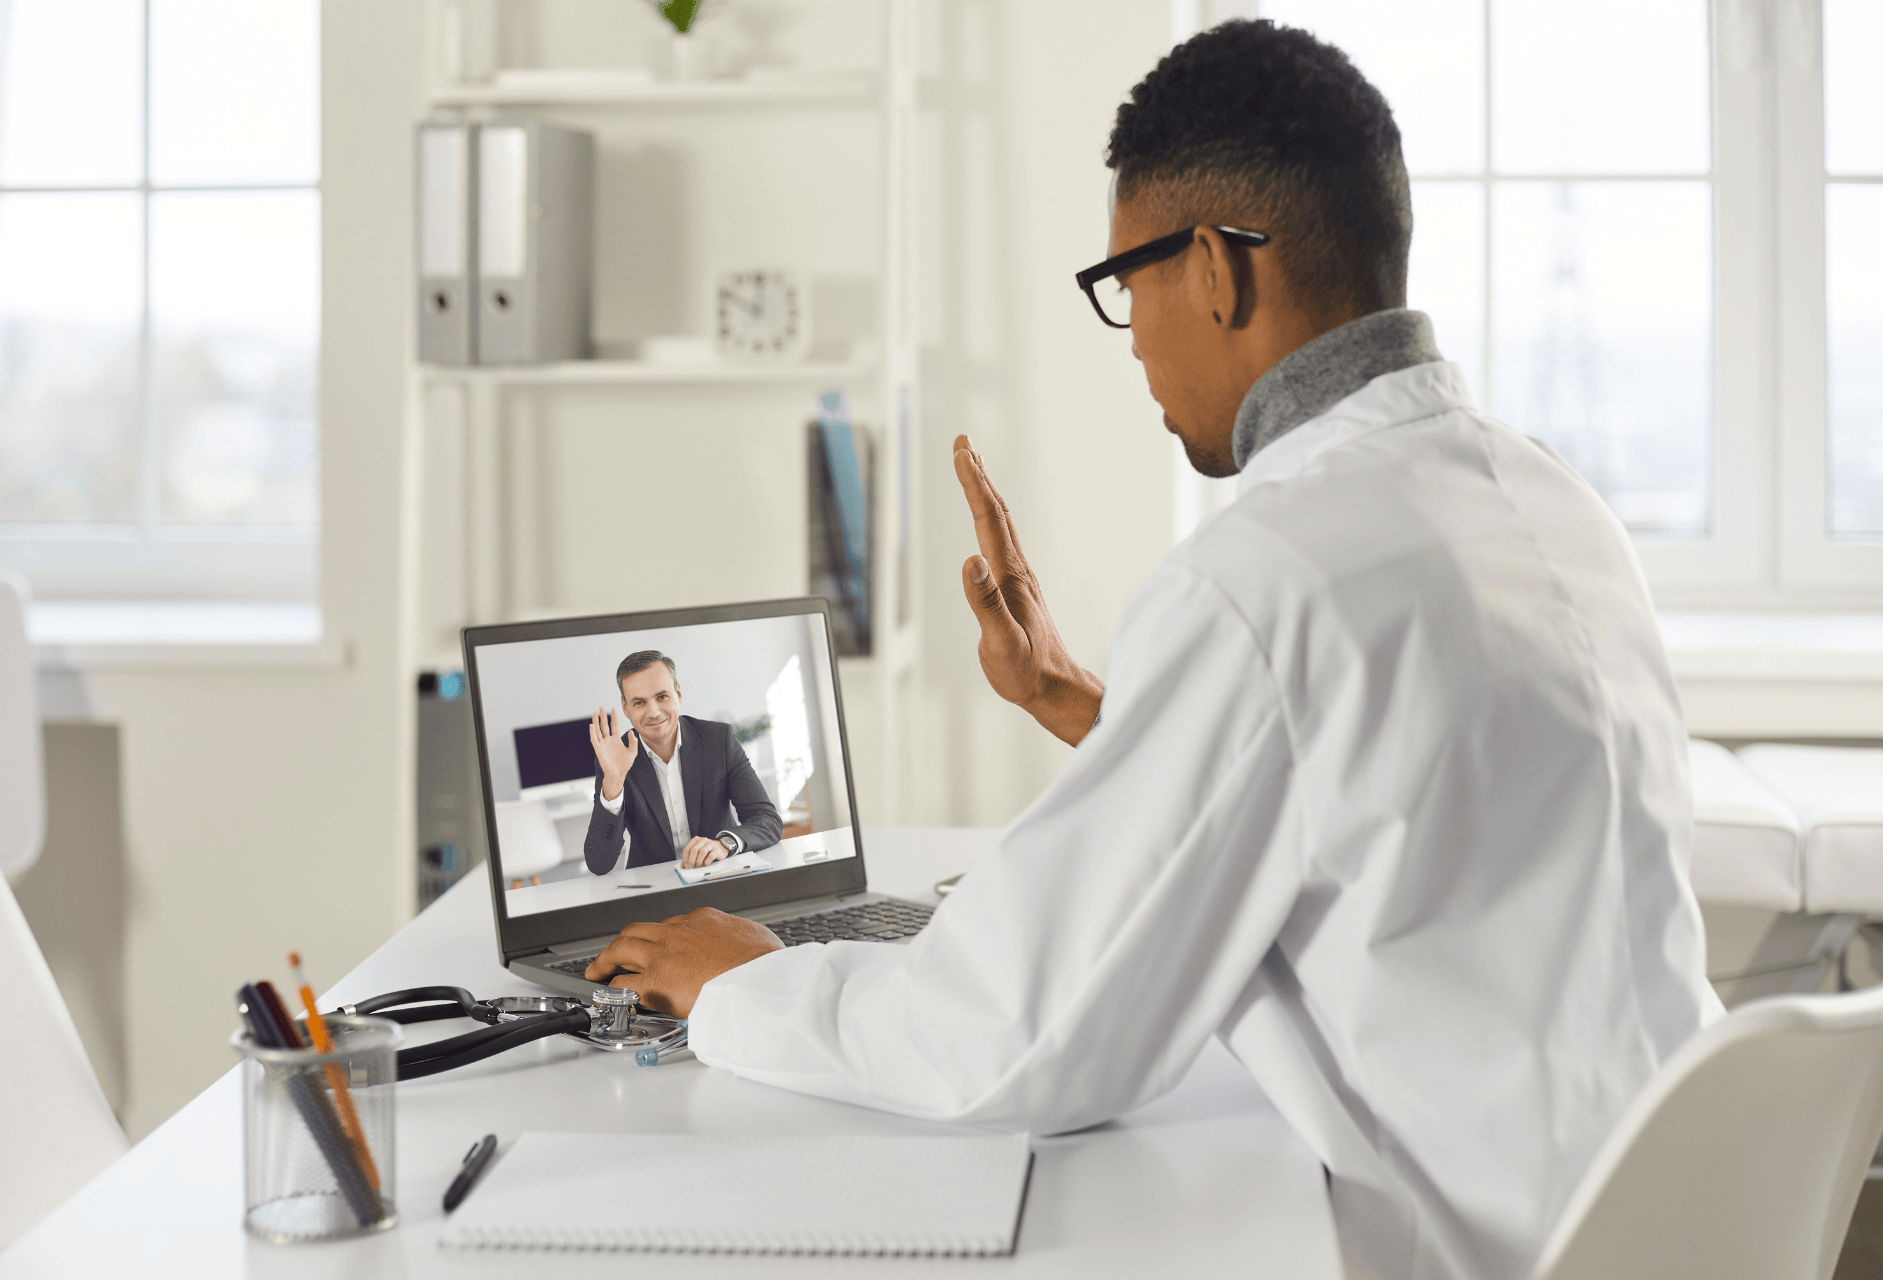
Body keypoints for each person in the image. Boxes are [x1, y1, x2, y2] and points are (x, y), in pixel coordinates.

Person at [580, 21, 1718, 1280]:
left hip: (1474, 1247)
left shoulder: (1267, 575)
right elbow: (1380, 791)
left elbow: (1019, 1038)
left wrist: (749, 979)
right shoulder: (1548, 499)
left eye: (1127, 280)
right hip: (1667, 1213)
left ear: (1218, 270)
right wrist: (1080, 702)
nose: (1128, 334)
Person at [584, 650, 782, 872]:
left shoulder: (718, 740)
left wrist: (724, 844)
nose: (654, 712)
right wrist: (613, 784)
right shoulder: (615, 758)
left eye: (662, 697)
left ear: (678, 694)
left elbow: (766, 820)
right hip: (656, 892)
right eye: (639, 702)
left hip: (721, 875)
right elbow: (598, 863)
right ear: (625, 707)